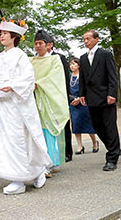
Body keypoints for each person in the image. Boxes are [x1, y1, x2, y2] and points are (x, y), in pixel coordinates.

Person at [0, 20, 52, 195]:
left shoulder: (20, 55)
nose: (1, 36)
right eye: (0, 33)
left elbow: (28, 78)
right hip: (2, 105)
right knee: (5, 141)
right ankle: (29, 173)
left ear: (14, 36)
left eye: (5, 33)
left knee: (19, 140)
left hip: (16, 105)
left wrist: (13, 86)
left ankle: (22, 178)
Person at [78, 30, 121, 171]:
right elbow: (83, 78)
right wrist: (82, 94)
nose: (85, 41)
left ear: (97, 39)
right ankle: (114, 147)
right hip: (91, 97)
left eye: (88, 38)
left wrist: (112, 94)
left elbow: (112, 76)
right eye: (84, 39)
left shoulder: (105, 54)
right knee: (96, 125)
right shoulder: (83, 58)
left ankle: (112, 158)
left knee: (110, 126)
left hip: (106, 97)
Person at [31, 29, 70, 173]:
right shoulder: (31, 60)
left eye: (40, 43)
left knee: (48, 131)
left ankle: (52, 162)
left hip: (48, 100)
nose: (38, 46)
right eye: (36, 43)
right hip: (34, 100)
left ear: (48, 45)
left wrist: (38, 84)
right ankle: (40, 161)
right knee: (37, 131)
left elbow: (55, 78)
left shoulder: (55, 60)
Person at [45, 35, 73, 163]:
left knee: (64, 124)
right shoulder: (37, 58)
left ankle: (67, 152)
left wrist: (66, 97)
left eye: (43, 43)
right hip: (45, 96)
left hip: (59, 94)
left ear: (50, 44)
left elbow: (65, 79)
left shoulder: (59, 57)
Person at [68, 57, 98, 154]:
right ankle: (80, 146)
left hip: (83, 102)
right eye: (70, 64)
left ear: (79, 65)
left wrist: (80, 98)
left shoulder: (83, 76)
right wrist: (72, 99)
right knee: (76, 124)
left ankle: (94, 143)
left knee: (88, 124)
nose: (72, 66)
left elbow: (88, 89)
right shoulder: (69, 77)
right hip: (73, 103)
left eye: (74, 64)